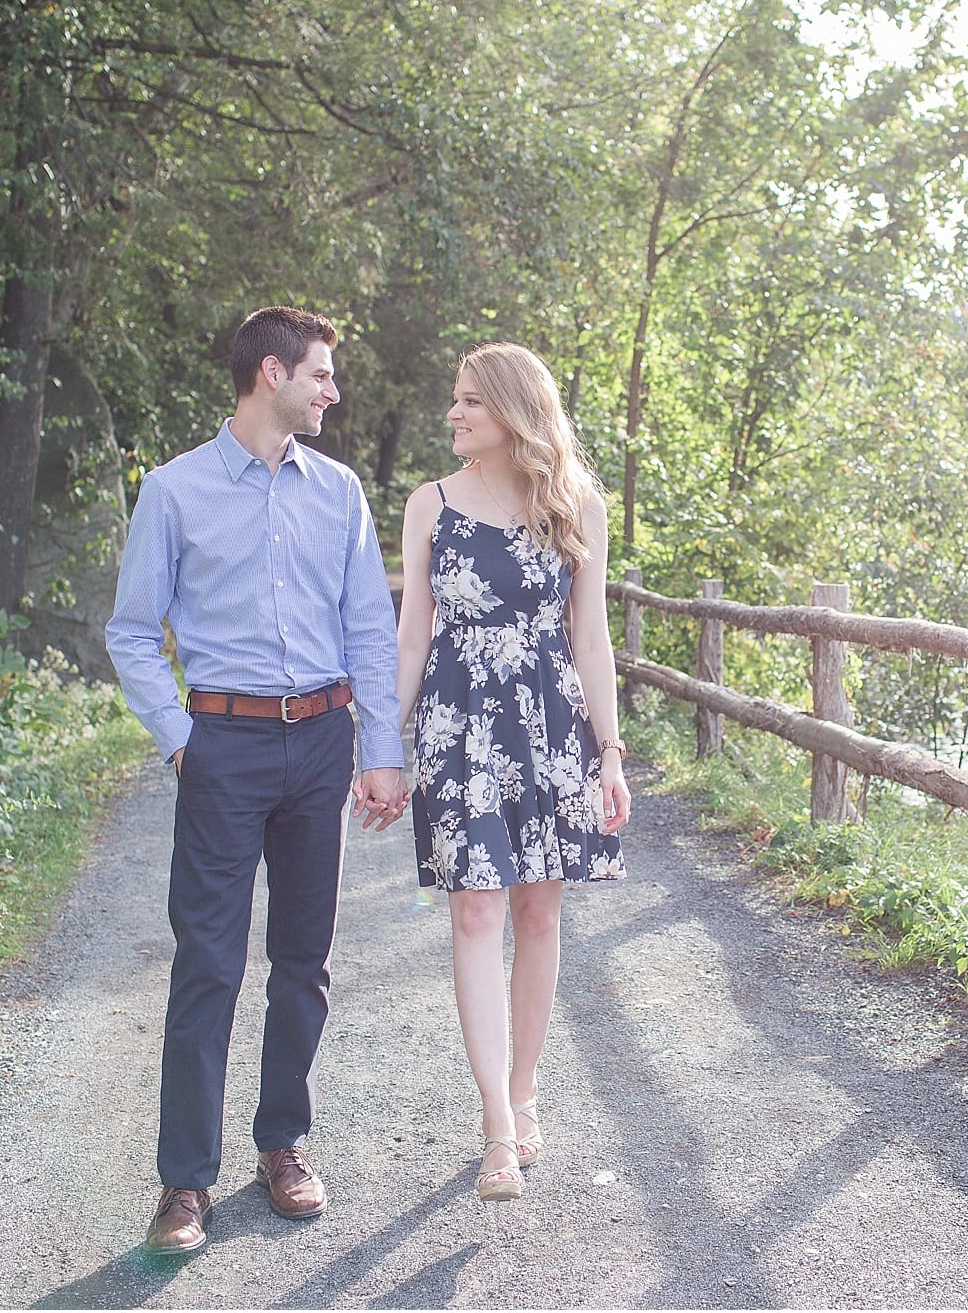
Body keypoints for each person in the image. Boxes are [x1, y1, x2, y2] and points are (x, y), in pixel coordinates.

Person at [106, 306, 409, 1254]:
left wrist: (380, 750)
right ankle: (184, 1181)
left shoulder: (341, 492)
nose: (332, 390)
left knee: (304, 958)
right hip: (223, 745)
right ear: (271, 372)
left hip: (322, 741)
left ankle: (283, 1143)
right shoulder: (175, 490)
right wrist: (182, 737)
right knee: (208, 963)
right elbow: (132, 632)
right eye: (320, 373)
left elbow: (369, 626)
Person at [394, 341, 631, 1201]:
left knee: (538, 909)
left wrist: (609, 752)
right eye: (454, 399)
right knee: (476, 910)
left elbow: (591, 639)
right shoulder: (432, 504)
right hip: (459, 729)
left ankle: (525, 1094)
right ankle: (497, 1123)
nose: (453, 414)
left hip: (551, 726)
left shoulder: (575, 507)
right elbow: (415, 631)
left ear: (513, 413)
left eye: (469, 402)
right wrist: (387, 743)